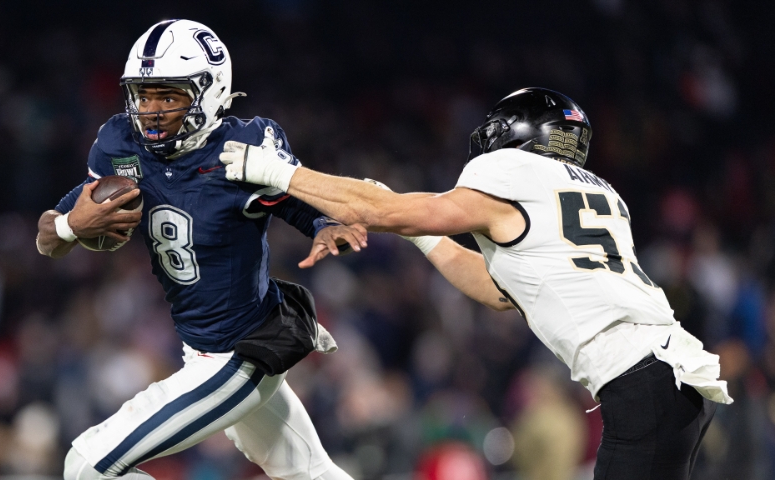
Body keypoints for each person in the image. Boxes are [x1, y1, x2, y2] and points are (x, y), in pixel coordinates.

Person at [219, 87, 734, 480]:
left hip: (640, 383)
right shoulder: (598, 192)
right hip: (675, 378)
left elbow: (384, 211)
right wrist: (420, 237)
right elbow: (499, 291)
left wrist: (278, 171)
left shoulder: (513, 169)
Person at [36, 19, 360, 480]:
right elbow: (46, 239)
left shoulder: (239, 148)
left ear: (210, 93)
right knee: (310, 473)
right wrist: (70, 225)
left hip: (240, 354)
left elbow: (299, 200)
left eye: (168, 97)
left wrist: (325, 223)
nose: (151, 111)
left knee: (87, 466)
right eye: (143, 96)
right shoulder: (120, 146)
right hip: (202, 349)